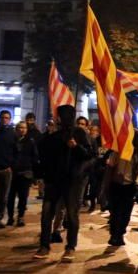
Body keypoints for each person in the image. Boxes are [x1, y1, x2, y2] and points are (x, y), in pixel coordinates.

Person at [34, 105, 94, 261]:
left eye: (59, 115)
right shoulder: (53, 135)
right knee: (47, 213)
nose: (57, 118)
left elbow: (89, 155)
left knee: (72, 215)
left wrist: (76, 147)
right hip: (54, 181)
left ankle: (70, 247)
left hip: (72, 181)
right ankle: (44, 246)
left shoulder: (79, 133)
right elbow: (43, 155)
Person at [104, 132, 138, 247]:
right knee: (115, 211)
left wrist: (136, 185)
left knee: (126, 213)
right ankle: (113, 235)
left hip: (129, 186)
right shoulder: (117, 152)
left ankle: (120, 233)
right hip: (116, 185)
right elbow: (110, 167)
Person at [6, 121, 39, 226]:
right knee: (10, 196)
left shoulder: (30, 141)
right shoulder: (11, 141)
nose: (22, 129)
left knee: (23, 197)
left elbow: (35, 157)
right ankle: (10, 217)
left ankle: (21, 216)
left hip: (25, 173)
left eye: (24, 128)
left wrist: (34, 174)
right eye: (20, 127)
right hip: (12, 172)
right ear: (16, 129)